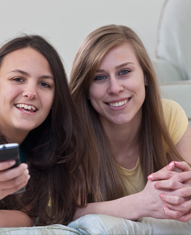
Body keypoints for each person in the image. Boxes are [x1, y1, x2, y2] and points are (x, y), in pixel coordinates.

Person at [0, 35, 86, 228]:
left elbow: (28, 214)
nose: (31, 92)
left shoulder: (48, 148)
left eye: (44, 84)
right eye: (18, 79)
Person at [69, 24, 191, 222]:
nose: (115, 88)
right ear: (86, 90)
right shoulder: (71, 136)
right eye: (99, 77)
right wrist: (140, 204)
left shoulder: (169, 116)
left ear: (145, 76)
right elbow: (63, 214)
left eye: (124, 72)